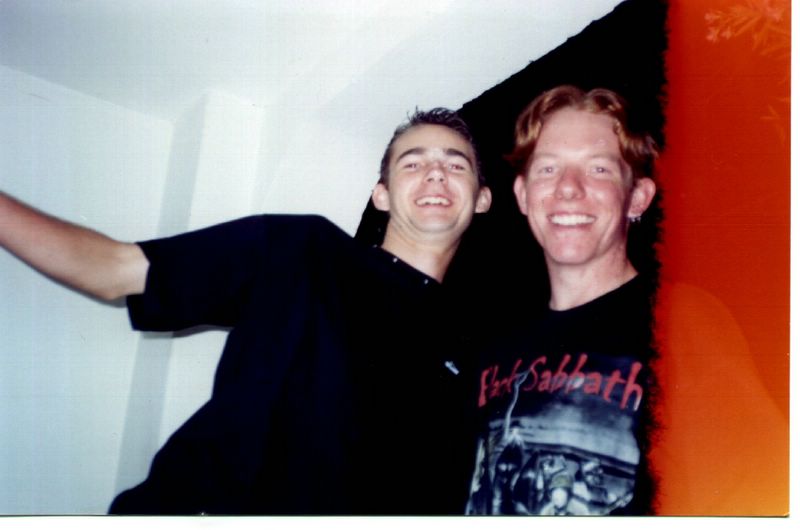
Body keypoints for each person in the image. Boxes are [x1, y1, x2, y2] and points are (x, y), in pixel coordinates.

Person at [0, 108, 492, 514]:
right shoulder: (304, 250)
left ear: (482, 199)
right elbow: (113, 268)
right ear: (380, 194)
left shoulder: (482, 353)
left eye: (456, 165)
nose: (435, 173)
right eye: (412, 162)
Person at [464, 85, 788, 516]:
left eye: (598, 169)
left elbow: (759, 490)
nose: (568, 188)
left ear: (637, 197)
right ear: (523, 196)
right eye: (548, 168)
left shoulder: (677, 320)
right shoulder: (495, 349)